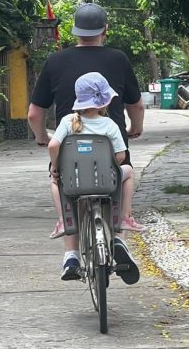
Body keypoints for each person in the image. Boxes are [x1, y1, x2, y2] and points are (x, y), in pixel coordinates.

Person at [27, 2, 145, 236]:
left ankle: (70, 250)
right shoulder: (119, 59)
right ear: (105, 29)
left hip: (70, 153)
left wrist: (42, 137)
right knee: (119, 181)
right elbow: (137, 105)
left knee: (65, 187)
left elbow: (34, 113)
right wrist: (134, 128)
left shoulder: (55, 61)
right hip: (110, 149)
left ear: (75, 31)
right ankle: (119, 237)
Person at [48, 72, 144, 281]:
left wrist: (56, 167)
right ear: (104, 101)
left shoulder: (67, 121)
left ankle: (64, 222)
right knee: (128, 172)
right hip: (105, 181)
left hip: (74, 182)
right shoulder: (109, 125)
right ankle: (125, 218)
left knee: (54, 181)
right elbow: (121, 156)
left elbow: (53, 145)